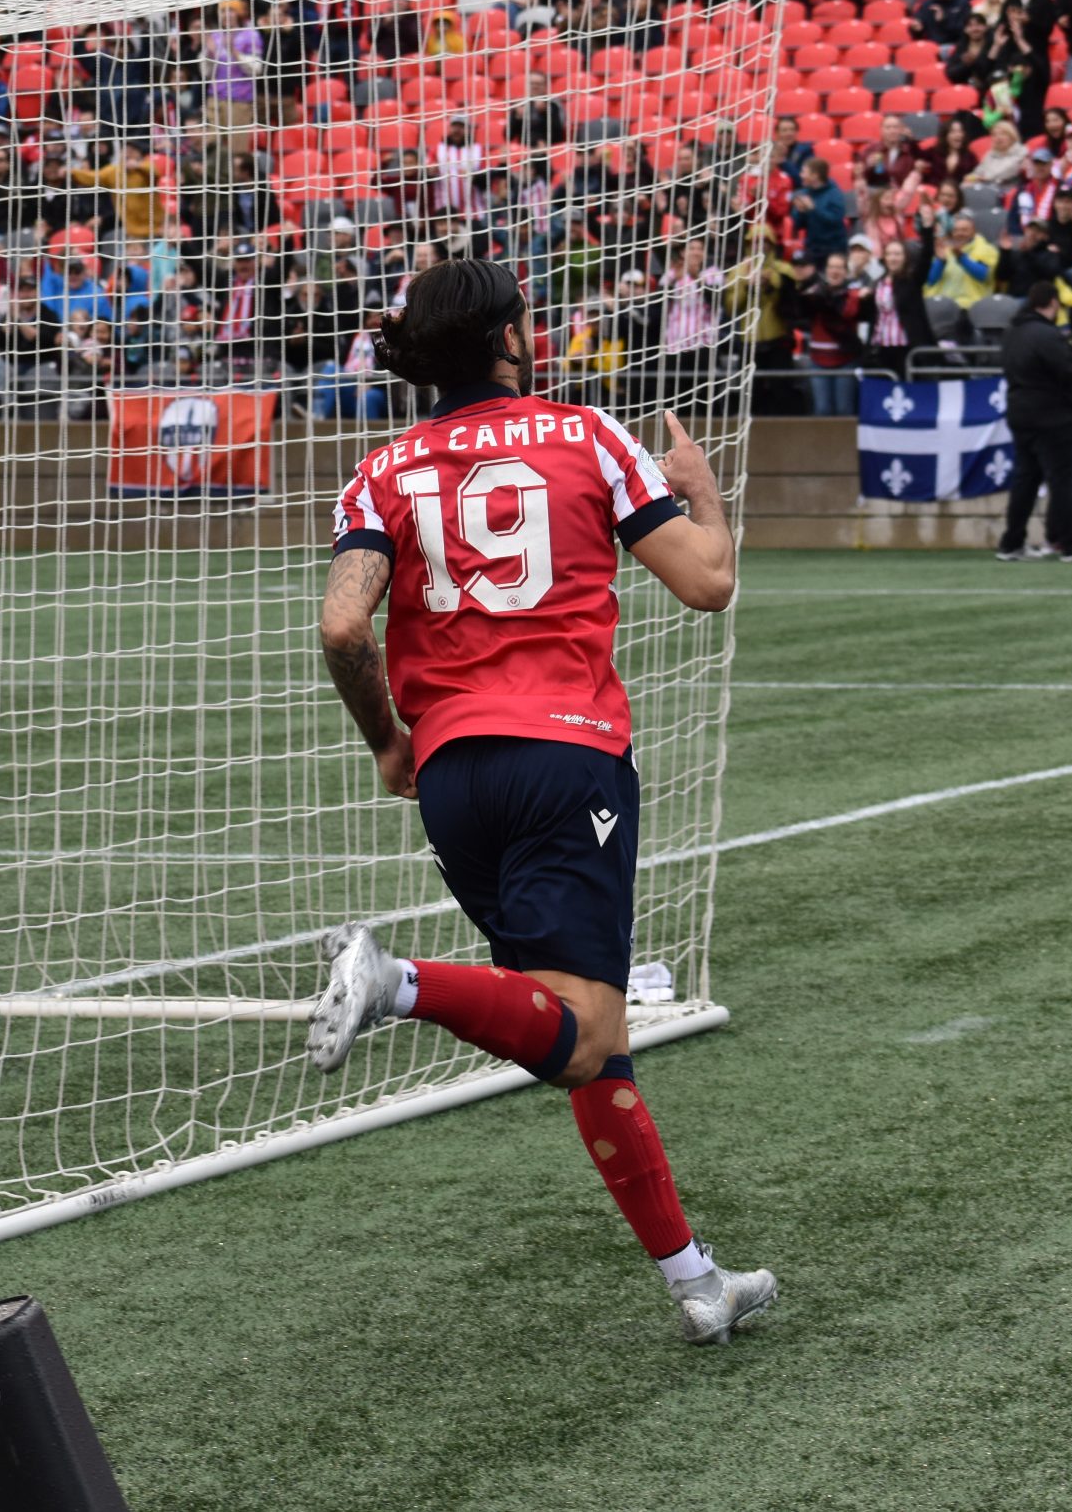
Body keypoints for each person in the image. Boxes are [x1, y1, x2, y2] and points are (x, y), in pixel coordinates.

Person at [310, 257, 775, 1346]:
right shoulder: (588, 436)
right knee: (581, 1031)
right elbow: (707, 581)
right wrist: (701, 486)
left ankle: (695, 1282)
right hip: (567, 760)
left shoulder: (379, 472)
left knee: (584, 1040)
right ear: (506, 338)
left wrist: (389, 740)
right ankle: (398, 983)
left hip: (454, 779)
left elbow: (341, 627)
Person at [996, 280, 1072, 562]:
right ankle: (1070, 543)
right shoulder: (1046, 334)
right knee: (1063, 480)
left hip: (1021, 413)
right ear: (1053, 302)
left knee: (1026, 480)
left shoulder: (1013, 333)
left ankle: (1011, 543)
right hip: (1052, 416)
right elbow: (1069, 371)